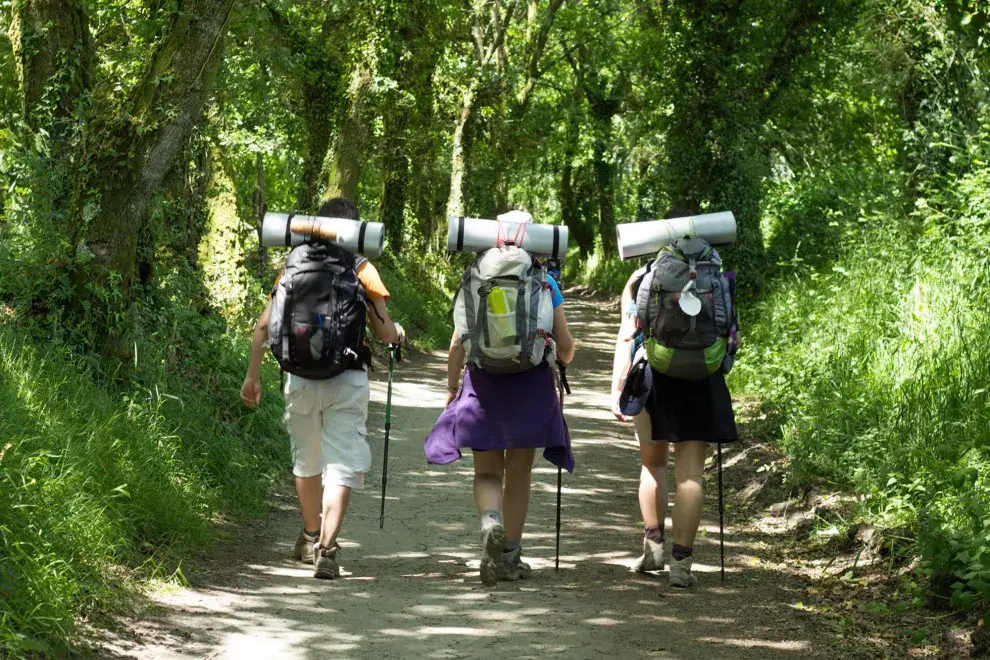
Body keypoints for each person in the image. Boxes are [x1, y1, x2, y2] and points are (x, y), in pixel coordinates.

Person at [240, 197, 405, 580]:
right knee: (342, 463)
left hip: (298, 376)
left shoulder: (294, 263)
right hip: (346, 377)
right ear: (354, 230)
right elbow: (383, 330)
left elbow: (263, 326)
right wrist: (397, 334)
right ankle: (326, 550)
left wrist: (252, 375)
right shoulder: (362, 268)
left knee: (307, 461)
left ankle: (309, 534)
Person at [425, 212, 576, 586]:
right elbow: (568, 349)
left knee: (487, 472)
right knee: (520, 472)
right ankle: (509, 554)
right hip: (530, 384)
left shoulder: (476, 275)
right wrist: (560, 351)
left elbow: (458, 342)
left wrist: (450, 388)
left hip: (484, 382)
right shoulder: (544, 281)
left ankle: (489, 522)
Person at [610, 207, 738, 588]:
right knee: (691, 477)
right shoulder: (719, 276)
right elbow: (733, 334)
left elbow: (627, 334)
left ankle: (653, 549)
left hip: (654, 377)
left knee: (653, 467)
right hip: (704, 378)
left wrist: (618, 386)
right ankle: (682, 565)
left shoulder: (640, 277)